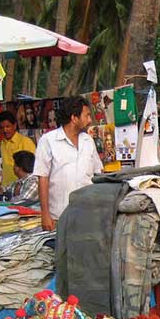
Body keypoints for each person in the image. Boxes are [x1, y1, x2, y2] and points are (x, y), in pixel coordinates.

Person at [34, 96, 104, 231]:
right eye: (87, 115)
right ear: (74, 118)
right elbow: (42, 178)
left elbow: (97, 174)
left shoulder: (88, 141)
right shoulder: (48, 140)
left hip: (88, 215)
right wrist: (45, 215)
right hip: (59, 216)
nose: (90, 120)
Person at [0, 110, 36, 188]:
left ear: (15, 126)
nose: (5, 130)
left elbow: (33, 169)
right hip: (6, 187)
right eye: (2, 127)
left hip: (22, 188)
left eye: (8, 126)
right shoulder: (2, 143)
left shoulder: (26, 142)